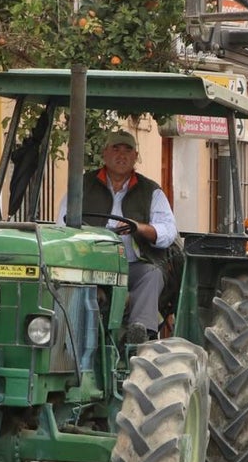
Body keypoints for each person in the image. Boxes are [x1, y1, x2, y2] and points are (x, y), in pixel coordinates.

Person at [70, 130, 178, 339]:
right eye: (116, 149)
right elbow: (63, 224)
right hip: (91, 266)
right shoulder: (82, 186)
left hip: (134, 266)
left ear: (135, 156)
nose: (121, 155)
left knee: (152, 273)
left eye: (127, 150)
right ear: (105, 153)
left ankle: (139, 335)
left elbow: (168, 231)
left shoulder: (151, 191)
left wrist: (140, 228)